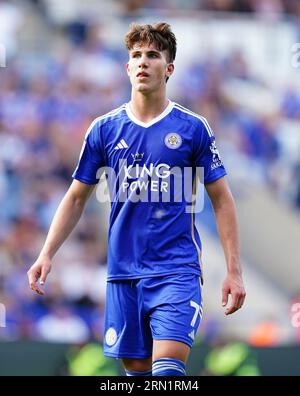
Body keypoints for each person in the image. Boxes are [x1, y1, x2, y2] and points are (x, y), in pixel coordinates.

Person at [27, 22, 246, 377]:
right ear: (127, 67)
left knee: (167, 372)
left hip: (176, 270)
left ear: (169, 68)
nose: (143, 62)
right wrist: (46, 253)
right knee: (137, 374)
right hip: (123, 274)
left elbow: (222, 200)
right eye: (136, 56)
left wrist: (234, 271)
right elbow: (76, 198)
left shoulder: (193, 128)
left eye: (153, 55)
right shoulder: (104, 129)